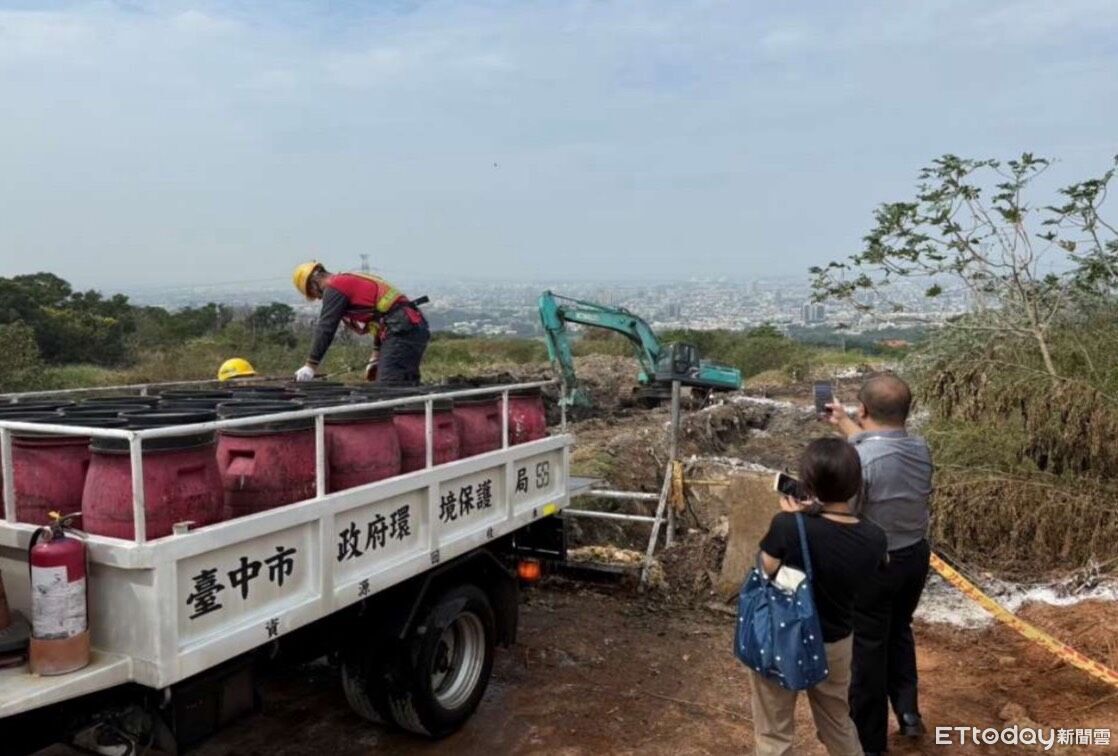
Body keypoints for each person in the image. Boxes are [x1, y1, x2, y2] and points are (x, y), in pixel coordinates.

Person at [750, 437, 888, 756]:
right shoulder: (874, 537)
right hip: (836, 640)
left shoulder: (788, 526)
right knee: (837, 720)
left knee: (774, 731)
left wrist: (794, 520)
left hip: (784, 637)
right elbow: (874, 566)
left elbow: (765, 569)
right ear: (855, 485)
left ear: (807, 483)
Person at [824, 374, 934, 755]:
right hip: (915, 558)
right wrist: (843, 420)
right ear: (908, 411)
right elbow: (877, 445)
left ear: (864, 409)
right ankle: (908, 714)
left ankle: (869, 744)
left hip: (875, 566)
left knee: (867, 652)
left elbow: (846, 509)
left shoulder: (859, 459)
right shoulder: (920, 448)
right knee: (899, 630)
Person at [291, 261, 430, 386]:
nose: (319, 298)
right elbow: (380, 318)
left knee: (388, 387)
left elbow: (326, 328)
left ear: (313, 283)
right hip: (411, 327)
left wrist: (311, 365)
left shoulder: (335, 287)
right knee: (405, 384)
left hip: (402, 331)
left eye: (314, 294)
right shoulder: (347, 280)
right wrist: (376, 356)